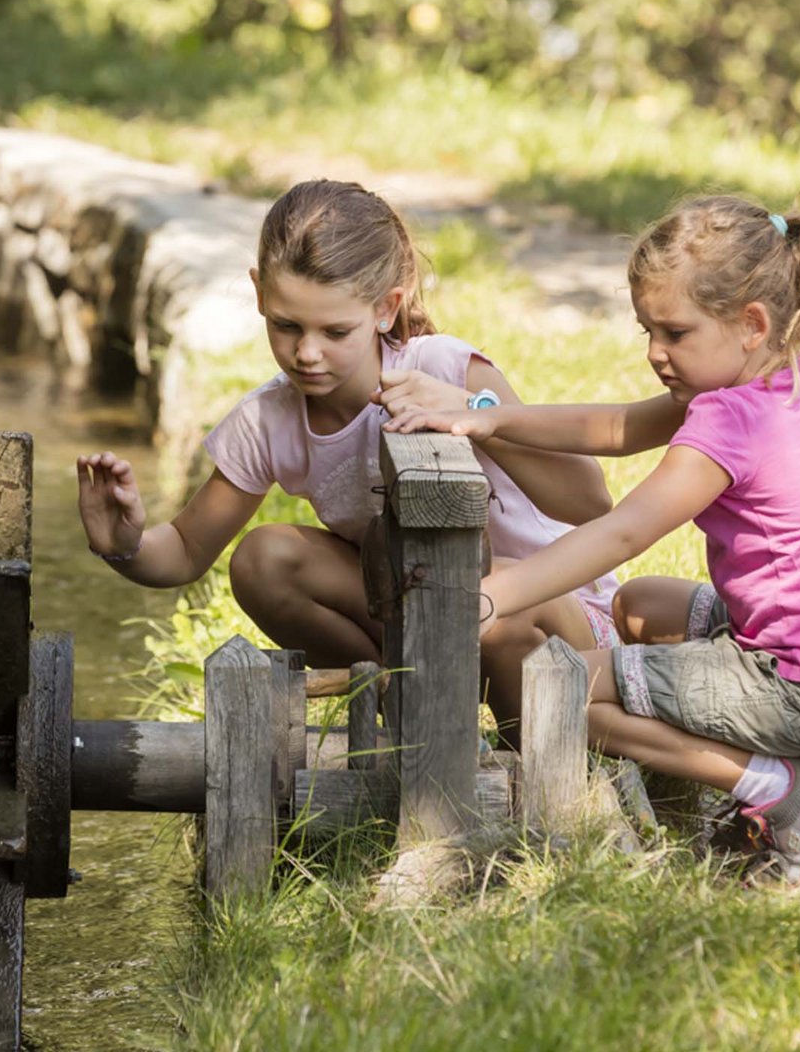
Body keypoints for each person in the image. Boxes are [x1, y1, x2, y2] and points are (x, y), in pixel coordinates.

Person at [384, 195, 800, 896]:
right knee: (637, 606)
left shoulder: (728, 424)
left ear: (751, 323)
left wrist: (488, 596)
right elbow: (618, 427)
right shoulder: (779, 377)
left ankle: (780, 787)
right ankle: (700, 780)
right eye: (647, 330)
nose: (655, 352)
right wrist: (486, 415)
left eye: (674, 332)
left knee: (560, 692)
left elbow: (622, 529)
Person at [77, 179, 619, 744]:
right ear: (259, 294)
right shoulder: (270, 420)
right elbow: (186, 551)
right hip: (439, 616)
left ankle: (533, 749)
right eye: (286, 326)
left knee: (480, 600)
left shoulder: (446, 368)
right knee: (264, 559)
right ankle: (411, 710)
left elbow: (589, 502)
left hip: (556, 618)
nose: (306, 353)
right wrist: (124, 543)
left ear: (386, 309)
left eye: (335, 331)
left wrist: (473, 411)